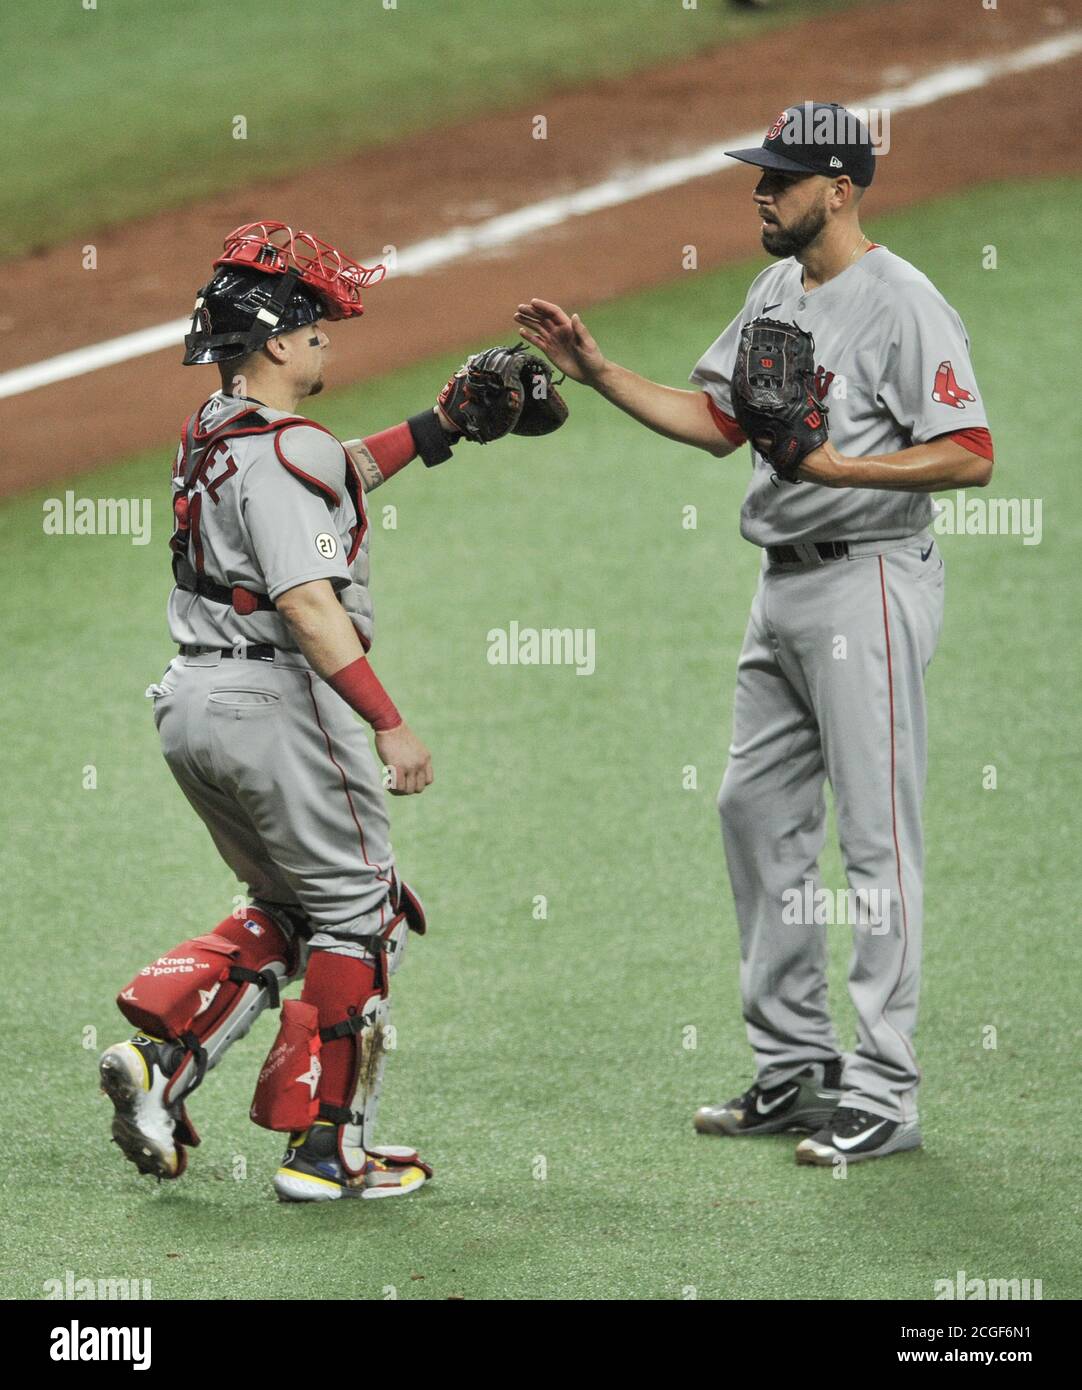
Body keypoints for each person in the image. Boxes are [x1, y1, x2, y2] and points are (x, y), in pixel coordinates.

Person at [514, 104, 994, 1165]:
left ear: (838, 186)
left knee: (872, 840)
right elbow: (718, 421)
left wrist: (837, 472)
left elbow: (967, 452)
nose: (758, 194)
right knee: (752, 811)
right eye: (758, 176)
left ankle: (884, 1088)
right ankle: (795, 1068)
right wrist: (597, 372)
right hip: (779, 592)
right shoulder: (777, 288)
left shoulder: (903, 303)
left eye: (778, 179)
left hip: (866, 581)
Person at [100, 221, 468, 1201]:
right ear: (274, 341)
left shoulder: (214, 427)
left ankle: (165, 1068)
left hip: (191, 706)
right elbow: (309, 603)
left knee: (290, 909)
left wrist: (438, 430)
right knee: (363, 914)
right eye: (313, 328)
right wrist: (387, 720)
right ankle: (325, 1153)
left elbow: (322, 473)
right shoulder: (288, 448)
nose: (326, 342)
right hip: (272, 704)